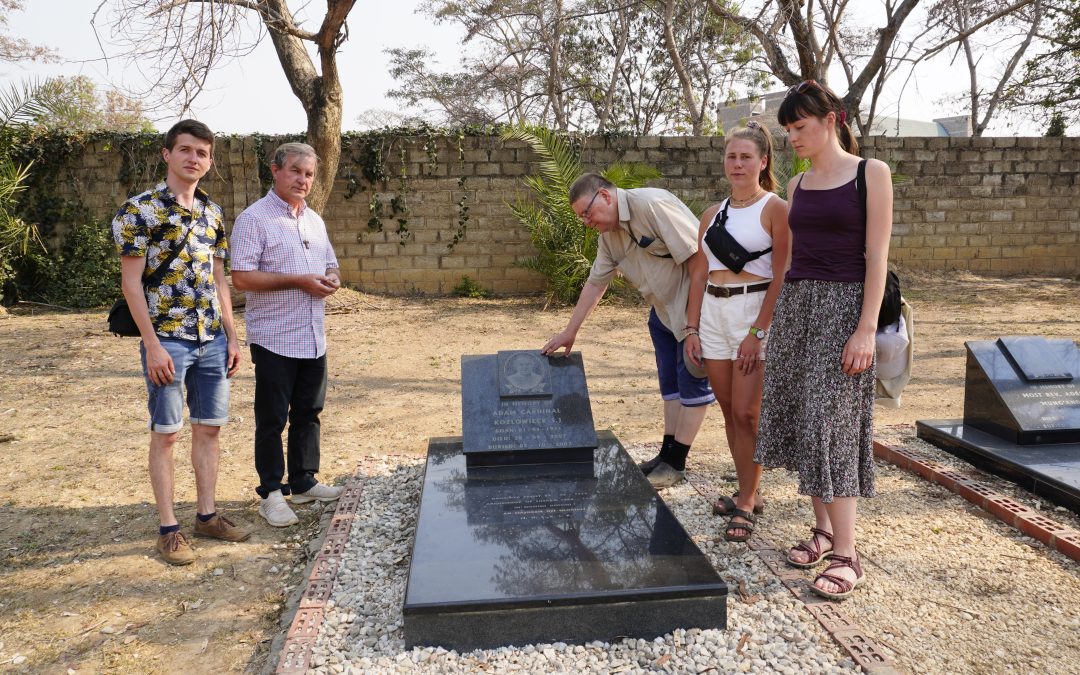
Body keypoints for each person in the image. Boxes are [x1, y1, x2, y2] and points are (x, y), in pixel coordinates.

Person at [754, 80, 893, 600]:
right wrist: (775, 323)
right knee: (801, 420)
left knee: (829, 424)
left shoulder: (869, 174)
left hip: (844, 309)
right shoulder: (797, 186)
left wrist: (865, 329)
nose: (793, 137)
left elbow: (876, 256)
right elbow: (789, 260)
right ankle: (823, 529)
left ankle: (847, 554)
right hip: (799, 309)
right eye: (788, 129)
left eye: (800, 127)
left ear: (830, 119)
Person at [112, 119, 250, 566]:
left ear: (209, 162)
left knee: (209, 428)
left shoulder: (213, 214)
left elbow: (218, 278)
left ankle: (207, 515)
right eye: (186, 150)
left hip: (211, 338)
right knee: (166, 434)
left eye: (203, 153)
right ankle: (169, 528)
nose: (195, 158)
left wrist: (232, 335)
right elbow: (131, 285)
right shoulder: (139, 211)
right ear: (167, 154)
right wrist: (151, 345)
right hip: (167, 340)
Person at [541, 173, 715, 489]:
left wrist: (694, 324)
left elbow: (697, 260)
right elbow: (597, 283)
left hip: (693, 310)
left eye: (586, 213)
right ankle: (666, 454)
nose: (585, 222)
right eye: (581, 217)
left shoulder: (652, 205)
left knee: (692, 384)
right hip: (662, 313)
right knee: (671, 386)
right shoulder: (608, 237)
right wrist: (571, 331)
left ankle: (676, 463)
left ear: (605, 197)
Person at [683, 121, 790, 543]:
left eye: (747, 156)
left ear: (763, 162)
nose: (738, 164)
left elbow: (783, 273)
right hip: (713, 315)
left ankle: (746, 499)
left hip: (753, 311)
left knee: (749, 412)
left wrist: (759, 331)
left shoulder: (775, 209)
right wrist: (691, 328)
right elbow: (697, 272)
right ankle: (750, 490)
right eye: (731, 156)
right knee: (729, 411)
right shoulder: (712, 215)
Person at [231, 142, 344, 527]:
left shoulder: (314, 220)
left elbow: (331, 264)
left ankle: (304, 480)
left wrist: (331, 280)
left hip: (313, 336)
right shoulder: (254, 219)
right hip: (275, 337)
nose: (303, 180)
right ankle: (271, 492)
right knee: (272, 417)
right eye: (296, 171)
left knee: (309, 413)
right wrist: (298, 281)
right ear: (275, 171)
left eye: (309, 174)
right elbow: (242, 277)